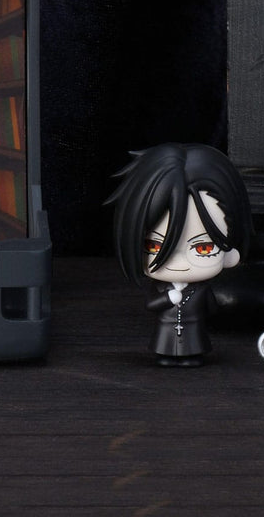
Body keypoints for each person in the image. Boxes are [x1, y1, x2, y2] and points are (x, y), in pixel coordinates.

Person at [106, 143, 252, 366]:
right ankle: (167, 356)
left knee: (193, 351)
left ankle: (190, 356)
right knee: (165, 352)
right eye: (154, 246)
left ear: (230, 252)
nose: (178, 263)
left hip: (194, 334)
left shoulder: (200, 289)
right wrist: (168, 299)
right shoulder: (161, 288)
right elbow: (151, 305)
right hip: (165, 334)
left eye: (203, 248)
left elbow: (212, 308)